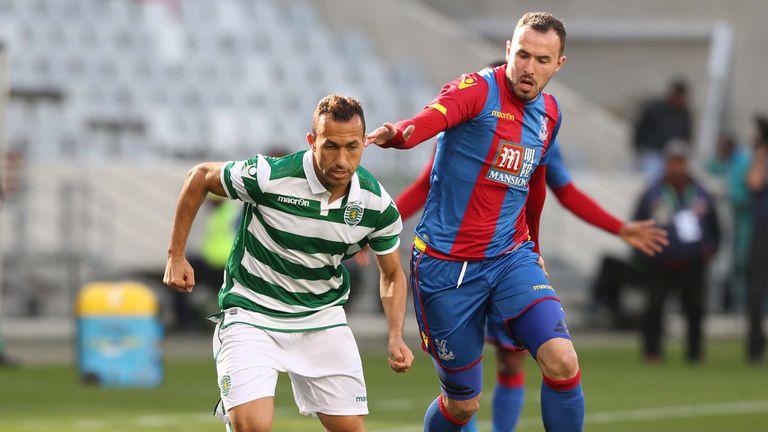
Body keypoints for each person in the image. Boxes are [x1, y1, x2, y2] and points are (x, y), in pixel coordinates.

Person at [367, 12, 665, 431]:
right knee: (462, 407)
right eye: (522, 54)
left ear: (559, 64)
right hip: (445, 267)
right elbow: (426, 121)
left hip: (510, 257)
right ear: (508, 50)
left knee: (561, 360)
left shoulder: (549, 114)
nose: (529, 67)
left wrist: (536, 250)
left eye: (542, 59)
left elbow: (536, 188)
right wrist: (397, 134)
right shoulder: (474, 91)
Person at [163, 94, 414, 431]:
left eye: (352, 147)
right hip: (252, 313)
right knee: (252, 425)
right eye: (330, 147)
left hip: (320, 318)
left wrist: (396, 335)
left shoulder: (375, 204)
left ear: (364, 144)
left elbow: (393, 273)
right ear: (312, 142)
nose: (341, 159)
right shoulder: (271, 176)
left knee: (350, 427)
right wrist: (175, 255)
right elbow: (199, 176)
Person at [396, 136, 666, 431]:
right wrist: (377, 228)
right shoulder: (463, 116)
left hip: (509, 263)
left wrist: (618, 228)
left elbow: (565, 191)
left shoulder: (540, 125)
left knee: (518, 361)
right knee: (462, 397)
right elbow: (425, 183)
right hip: (453, 268)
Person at [634, 140, 721, 363]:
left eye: (680, 161)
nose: (676, 166)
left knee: (695, 308)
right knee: (654, 307)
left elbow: (715, 226)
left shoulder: (700, 192)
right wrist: (645, 256)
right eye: (672, 161)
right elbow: (638, 223)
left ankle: (694, 351)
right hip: (661, 260)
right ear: (666, 163)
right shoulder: (652, 192)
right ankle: (652, 351)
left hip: (693, 262)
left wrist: (709, 251)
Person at [707, 134, 753, 311]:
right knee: (736, 265)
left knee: (744, 263)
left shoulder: (742, 163)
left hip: (745, 222)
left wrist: (726, 194)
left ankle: (747, 307)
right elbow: (710, 169)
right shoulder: (726, 163)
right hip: (732, 223)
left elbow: (742, 194)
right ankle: (738, 306)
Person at [633, 79, 692, 180]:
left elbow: (686, 138)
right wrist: (640, 148)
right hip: (653, 153)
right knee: (654, 174)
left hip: (674, 156)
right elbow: (640, 131)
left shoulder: (684, 114)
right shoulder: (655, 109)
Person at [746, 115, 768, 363]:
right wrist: (761, 153)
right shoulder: (759, 159)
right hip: (762, 230)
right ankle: (755, 346)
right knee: (755, 289)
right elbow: (753, 182)